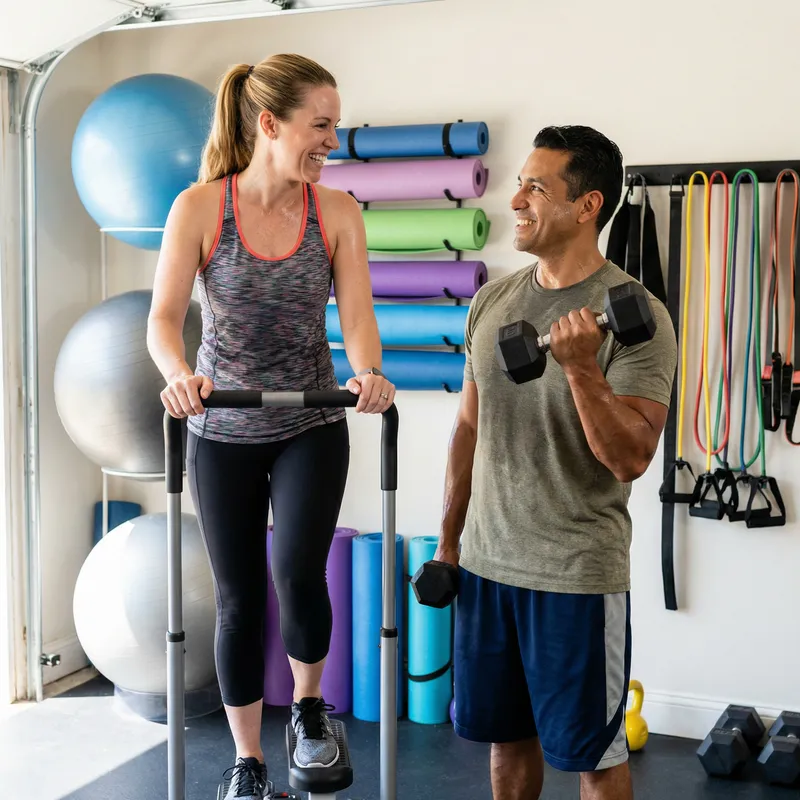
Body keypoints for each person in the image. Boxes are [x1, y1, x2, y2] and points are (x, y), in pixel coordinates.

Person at [147, 53, 395, 800]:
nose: (331, 141)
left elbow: (357, 320)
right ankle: (248, 761)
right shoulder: (199, 208)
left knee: (296, 572)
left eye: (335, 127)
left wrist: (368, 373)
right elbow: (163, 320)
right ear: (269, 124)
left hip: (311, 418)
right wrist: (178, 375)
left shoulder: (338, 211)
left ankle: (311, 712)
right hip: (221, 427)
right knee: (238, 598)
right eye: (320, 126)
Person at [434, 125, 677, 800]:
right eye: (518, 183)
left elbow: (630, 457)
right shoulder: (493, 300)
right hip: (487, 566)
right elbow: (468, 428)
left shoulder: (641, 316)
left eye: (536, 187)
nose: (516, 200)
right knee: (506, 747)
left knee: (593, 762)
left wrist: (579, 370)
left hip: (575, 576)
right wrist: (450, 543)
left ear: (587, 205)